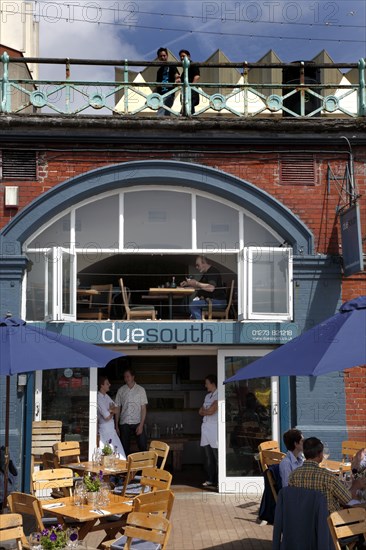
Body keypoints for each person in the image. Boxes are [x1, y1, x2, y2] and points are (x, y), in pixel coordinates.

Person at [288, 437, 366, 513]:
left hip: (302, 519)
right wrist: (355, 485)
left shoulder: (293, 475)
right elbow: (347, 498)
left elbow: (292, 500)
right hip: (327, 521)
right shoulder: (328, 476)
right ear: (320, 455)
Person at [180, 255, 226, 320]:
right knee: (192, 306)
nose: (196, 267)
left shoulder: (212, 271)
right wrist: (187, 284)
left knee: (193, 305)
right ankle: (197, 322)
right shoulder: (206, 273)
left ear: (204, 263)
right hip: (211, 300)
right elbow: (199, 286)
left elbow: (211, 288)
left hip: (217, 301)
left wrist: (196, 283)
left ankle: (200, 325)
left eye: (198, 265)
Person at [115, 368, 148, 456]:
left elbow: (143, 408)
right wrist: (116, 425)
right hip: (124, 422)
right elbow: (117, 408)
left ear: (133, 377)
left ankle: (144, 468)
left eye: (128, 376)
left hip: (137, 422)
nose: (126, 379)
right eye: (125, 377)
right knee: (124, 448)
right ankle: (127, 469)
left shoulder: (141, 390)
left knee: (143, 446)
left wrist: (141, 425)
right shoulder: (121, 390)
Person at [97, 376, 126, 459]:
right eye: (107, 383)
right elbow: (106, 417)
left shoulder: (106, 396)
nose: (109, 385)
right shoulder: (98, 398)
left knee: (119, 454)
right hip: (104, 430)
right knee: (107, 454)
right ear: (101, 385)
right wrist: (111, 411)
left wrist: (111, 411)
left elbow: (117, 409)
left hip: (111, 429)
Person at [199, 374, 218, 488]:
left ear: (212, 383)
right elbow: (200, 411)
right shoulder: (207, 396)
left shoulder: (219, 395)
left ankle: (219, 480)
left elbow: (211, 411)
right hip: (206, 428)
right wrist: (207, 410)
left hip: (215, 429)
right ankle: (211, 479)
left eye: (207, 383)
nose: (205, 385)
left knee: (216, 456)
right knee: (208, 456)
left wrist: (206, 411)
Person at [155, 47, 180, 117]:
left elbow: (177, 76)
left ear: (167, 56)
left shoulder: (172, 66)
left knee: (161, 112)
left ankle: (158, 125)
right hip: (161, 95)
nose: (163, 57)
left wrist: (177, 80)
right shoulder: (159, 71)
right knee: (165, 111)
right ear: (158, 57)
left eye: (164, 55)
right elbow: (157, 84)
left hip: (169, 93)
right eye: (161, 56)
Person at [177, 49, 200, 114]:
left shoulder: (193, 65)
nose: (181, 58)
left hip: (191, 90)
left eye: (183, 56)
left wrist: (191, 88)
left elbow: (197, 76)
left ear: (188, 57)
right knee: (186, 107)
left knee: (190, 107)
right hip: (186, 91)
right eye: (181, 57)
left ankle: (190, 120)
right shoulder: (185, 70)